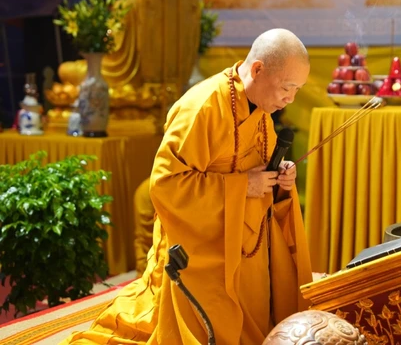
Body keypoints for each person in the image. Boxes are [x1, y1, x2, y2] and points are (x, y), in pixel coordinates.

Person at [60, 28, 313, 345]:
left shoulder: (262, 109)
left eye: (297, 90)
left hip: (247, 248)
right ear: (258, 69)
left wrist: (279, 179)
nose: (290, 99)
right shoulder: (202, 107)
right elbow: (165, 185)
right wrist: (241, 187)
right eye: (287, 88)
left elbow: (258, 170)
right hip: (201, 250)